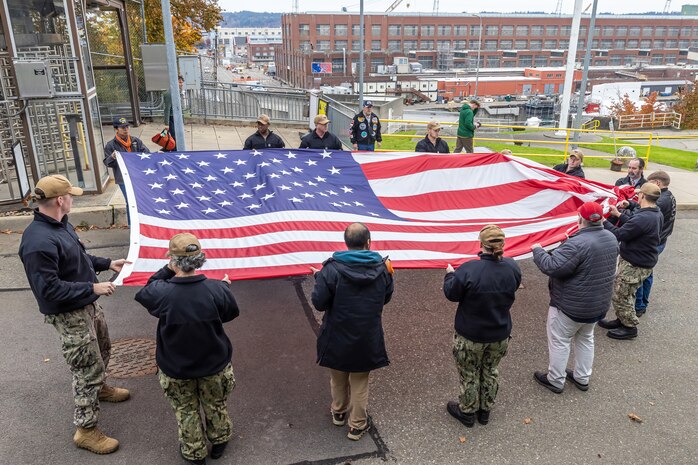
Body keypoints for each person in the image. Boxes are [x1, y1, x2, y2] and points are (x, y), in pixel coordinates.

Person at [18, 175, 130, 455]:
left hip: (86, 303)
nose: (73, 199)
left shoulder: (59, 225)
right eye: (71, 195)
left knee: (102, 350)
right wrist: (92, 286)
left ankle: (100, 388)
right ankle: (86, 429)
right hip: (69, 314)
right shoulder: (38, 242)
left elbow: (76, 258)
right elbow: (49, 290)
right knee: (85, 369)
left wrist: (106, 263)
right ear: (60, 200)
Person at [135, 233, 239, 465]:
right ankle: (219, 440)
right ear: (200, 259)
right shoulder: (216, 289)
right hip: (214, 363)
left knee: (186, 410)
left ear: (173, 260)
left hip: (176, 367)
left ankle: (194, 453)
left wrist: (167, 269)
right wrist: (223, 288)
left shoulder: (162, 292)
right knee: (215, 404)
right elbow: (229, 313)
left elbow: (146, 291)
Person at [309, 223, 394, 441]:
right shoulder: (384, 269)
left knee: (338, 376)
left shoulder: (331, 269)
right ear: (368, 242)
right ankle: (357, 425)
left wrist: (320, 278)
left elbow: (319, 303)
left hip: (337, 334)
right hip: (366, 336)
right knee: (359, 381)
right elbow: (385, 297)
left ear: (346, 243)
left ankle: (338, 412)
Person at [530, 202, 619, 393]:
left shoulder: (578, 244)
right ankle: (582, 377)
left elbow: (552, 266)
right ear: (601, 219)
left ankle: (555, 379)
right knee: (586, 338)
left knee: (560, 341)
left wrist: (537, 250)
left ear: (580, 219)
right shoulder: (611, 238)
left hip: (571, 307)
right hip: (597, 305)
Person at [443, 225, 522, 427]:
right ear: (503, 244)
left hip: (470, 335)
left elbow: (451, 294)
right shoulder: (513, 267)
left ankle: (468, 412)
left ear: (481, 244)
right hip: (499, 333)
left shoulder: (469, 269)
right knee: (490, 370)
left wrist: (450, 275)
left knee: (469, 373)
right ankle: (485, 410)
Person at [598, 182, 663, 340]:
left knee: (622, 294)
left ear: (642, 196)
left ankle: (629, 327)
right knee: (628, 292)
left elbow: (619, 234)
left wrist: (603, 221)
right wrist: (618, 214)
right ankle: (621, 320)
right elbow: (635, 226)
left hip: (635, 263)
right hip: (640, 259)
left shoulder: (644, 217)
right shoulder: (655, 212)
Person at [618, 171, 676, 317]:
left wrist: (619, 214)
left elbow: (637, 218)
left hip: (652, 243)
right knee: (645, 274)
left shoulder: (660, 202)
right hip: (658, 240)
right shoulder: (666, 197)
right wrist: (631, 204)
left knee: (639, 276)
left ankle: (639, 306)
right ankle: (641, 303)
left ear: (657, 183)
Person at [103, 117, 150, 225]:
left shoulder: (135, 141)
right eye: (122, 127)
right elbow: (107, 162)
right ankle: (132, 225)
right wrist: (113, 157)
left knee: (140, 200)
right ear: (116, 129)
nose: (126, 129)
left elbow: (146, 154)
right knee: (130, 201)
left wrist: (157, 155)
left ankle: (142, 222)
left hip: (138, 176)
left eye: (127, 127)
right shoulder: (111, 145)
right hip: (123, 178)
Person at [163, 75, 185, 151]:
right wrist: (166, 124)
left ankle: (171, 149)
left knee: (177, 137)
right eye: (179, 82)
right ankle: (173, 151)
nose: (181, 84)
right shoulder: (169, 93)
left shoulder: (178, 92)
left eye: (182, 82)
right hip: (172, 118)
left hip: (177, 118)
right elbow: (167, 109)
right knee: (174, 137)